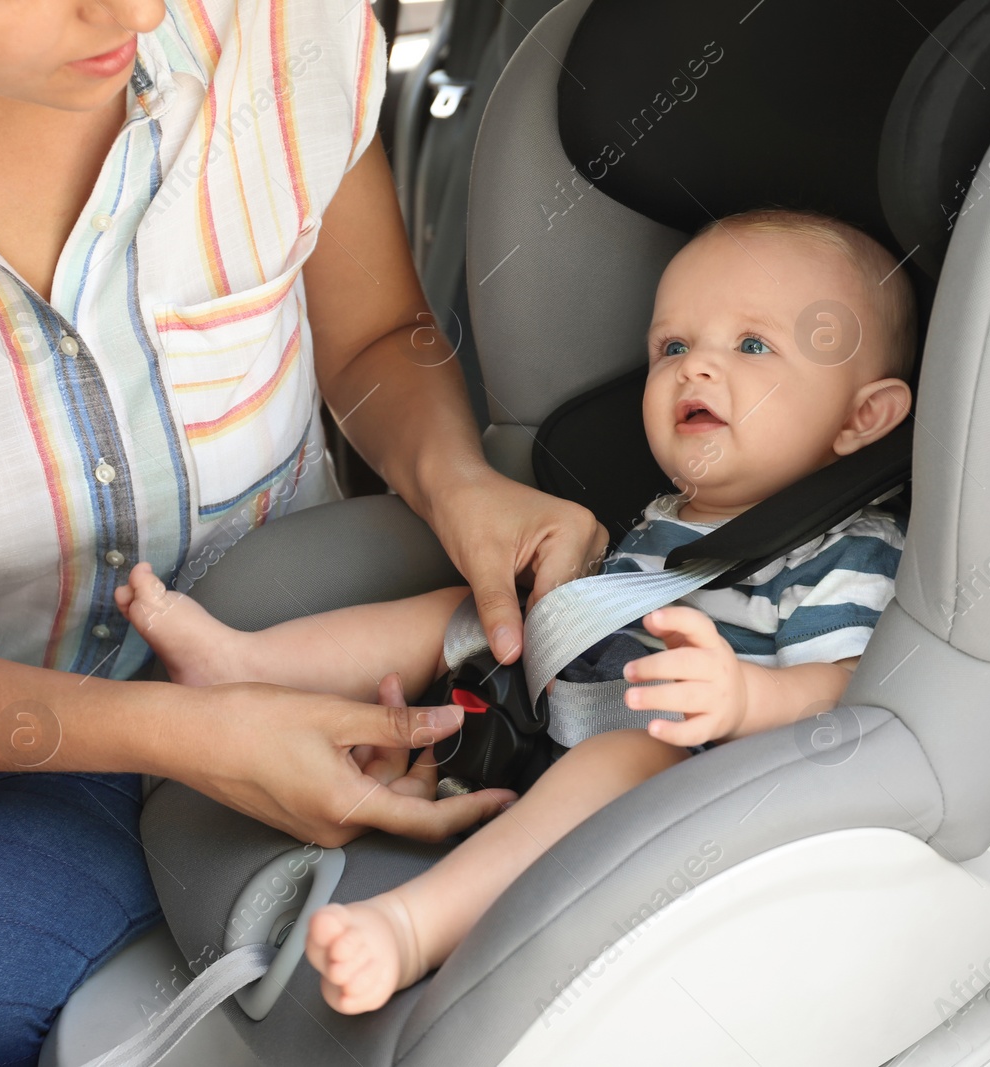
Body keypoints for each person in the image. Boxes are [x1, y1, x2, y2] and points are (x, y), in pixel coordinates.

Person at [0, 1, 603, 1063]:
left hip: (273, 652)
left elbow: (374, 334)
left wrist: (457, 481)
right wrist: (182, 732)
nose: (140, 13)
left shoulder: (276, 30)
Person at [114, 208, 919, 1014]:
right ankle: (243, 664)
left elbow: (853, 687)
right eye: (673, 346)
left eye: (752, 346)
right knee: (452, 613)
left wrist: (746, 698)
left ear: (864, 417)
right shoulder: (674, 509)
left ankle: (411, 925)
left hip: (676, 764)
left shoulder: (849, 548)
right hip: (564, 692)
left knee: (625, 760)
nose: (695, 369)